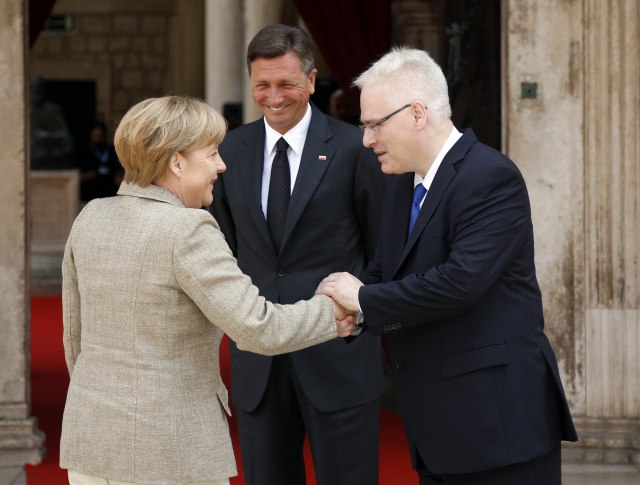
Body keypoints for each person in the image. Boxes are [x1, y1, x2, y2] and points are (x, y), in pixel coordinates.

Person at [60, 95, 356, 485]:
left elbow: (74, 339)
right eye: (212, 153)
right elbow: (257, 327)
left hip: (91, 440)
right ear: (177, 162)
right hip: (168, 451)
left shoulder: (91, 216)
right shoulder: (188, 228)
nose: (222, 165)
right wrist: (336, 310)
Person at [317, 47, 578, 485]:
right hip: (437, 430)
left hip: (499, 427)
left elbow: (461, 282)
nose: (366, 140)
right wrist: (354, 311)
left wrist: (363, 299)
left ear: (418, 113)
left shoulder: (490, 176)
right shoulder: (401, 184)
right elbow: (385, 270)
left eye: (375, 125)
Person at [211, 24, 386, 485]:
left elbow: (381, 249)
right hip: (259, 364)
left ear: (310, 80)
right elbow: (226, 248)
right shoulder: (229, 150)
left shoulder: (355, 148)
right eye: (262, 85)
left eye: (286, 83)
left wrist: (362, 314)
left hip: (339, 355)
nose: (274, 97)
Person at [79, 121, 123, 202]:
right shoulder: (84, 151)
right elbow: (77, 175)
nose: (98, 137)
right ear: (91, 134)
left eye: (100, 135)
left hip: (109, 190)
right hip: (90, 192)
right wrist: (87, 175)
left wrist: (118, 177)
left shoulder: (112, 150)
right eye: (96, 135)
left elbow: (118, 169)